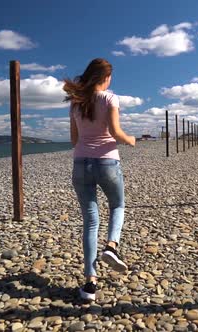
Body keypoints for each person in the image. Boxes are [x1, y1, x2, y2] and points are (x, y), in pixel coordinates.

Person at [64, 58, 136, 301]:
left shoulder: (76, 104)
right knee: (118, 205)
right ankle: (111, 247)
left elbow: (74, 140)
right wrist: (130, 139)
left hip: (80, 163)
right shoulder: (110, 98)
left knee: (90, 222)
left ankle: (90, 284)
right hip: (107, 162)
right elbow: (116, 132)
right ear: (104, 78)